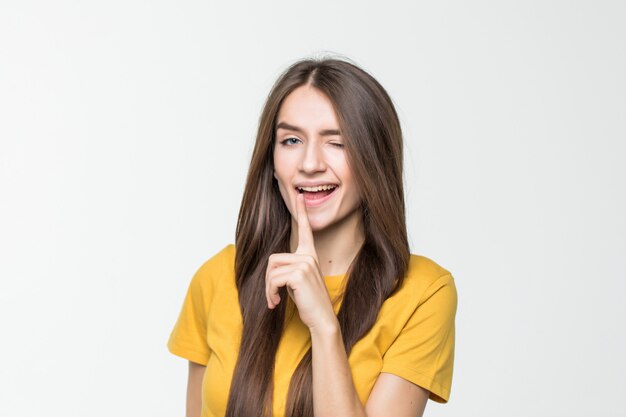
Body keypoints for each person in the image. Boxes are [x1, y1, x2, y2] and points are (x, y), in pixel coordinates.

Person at [167, 56, 458, 417]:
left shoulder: (424, 293)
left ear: (374, 159)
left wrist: (323, 326)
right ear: (271, 162)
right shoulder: (217, 276)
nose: (309, 164)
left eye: (336, 143)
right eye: (291, 140)